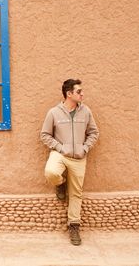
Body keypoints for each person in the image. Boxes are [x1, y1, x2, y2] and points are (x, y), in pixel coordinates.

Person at [40, 79, 99, 246]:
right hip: (60, 154)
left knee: (76, 193)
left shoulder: (86, 111)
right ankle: (60, 182)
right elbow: (45, 135)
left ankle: (74, 225)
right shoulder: (53, 113)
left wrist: (85, 148)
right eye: (79, 91)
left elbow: (94, 132)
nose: (82, 94)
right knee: (51, 172)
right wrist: (60, 147)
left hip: (79, 157)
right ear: (69, 94)